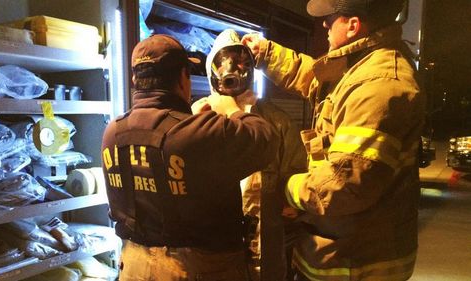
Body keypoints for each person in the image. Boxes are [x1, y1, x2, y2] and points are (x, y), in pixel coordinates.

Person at [241, 0, 425, 280]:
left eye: (331, 18)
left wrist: (284, 188)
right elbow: (315, 79)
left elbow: (343, 185)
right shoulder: (361, 66)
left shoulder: (379, 86)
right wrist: (265, 53)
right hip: (342, 249)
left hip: (356, 263)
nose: (324, 24)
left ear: (353, 26)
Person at [101, 34, 278, 281]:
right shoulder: (200, 132)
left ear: (135, 79)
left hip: (134, 265)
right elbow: (266, 141)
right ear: (184, 78)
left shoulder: (113, 131)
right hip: (194, 268)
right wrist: (232, 110)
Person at [193, 29, 307, 281]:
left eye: (241, 65)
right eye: (225, 65)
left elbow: (296, 179)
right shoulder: (198, 117)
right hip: (215, 250)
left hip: (265, 250)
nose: (234, 74)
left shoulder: (277, 122)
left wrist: (285, 204)